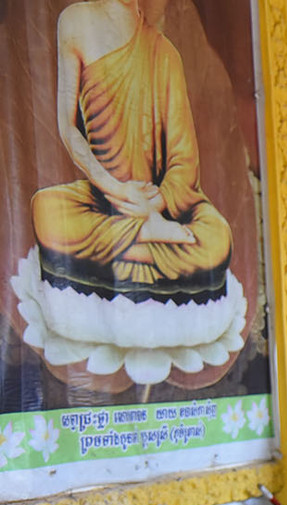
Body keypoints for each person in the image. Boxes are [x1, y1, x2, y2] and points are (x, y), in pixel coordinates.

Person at [31, 0, 232, 301]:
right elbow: (68, 129)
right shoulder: (76, 21)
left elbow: (184, 159)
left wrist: (157, 201)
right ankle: (144, 238)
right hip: (105, 197)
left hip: (155, 203)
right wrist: (119, 191)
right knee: (45, 211)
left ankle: (124, 245)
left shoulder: (165, 54)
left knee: (219, 237)